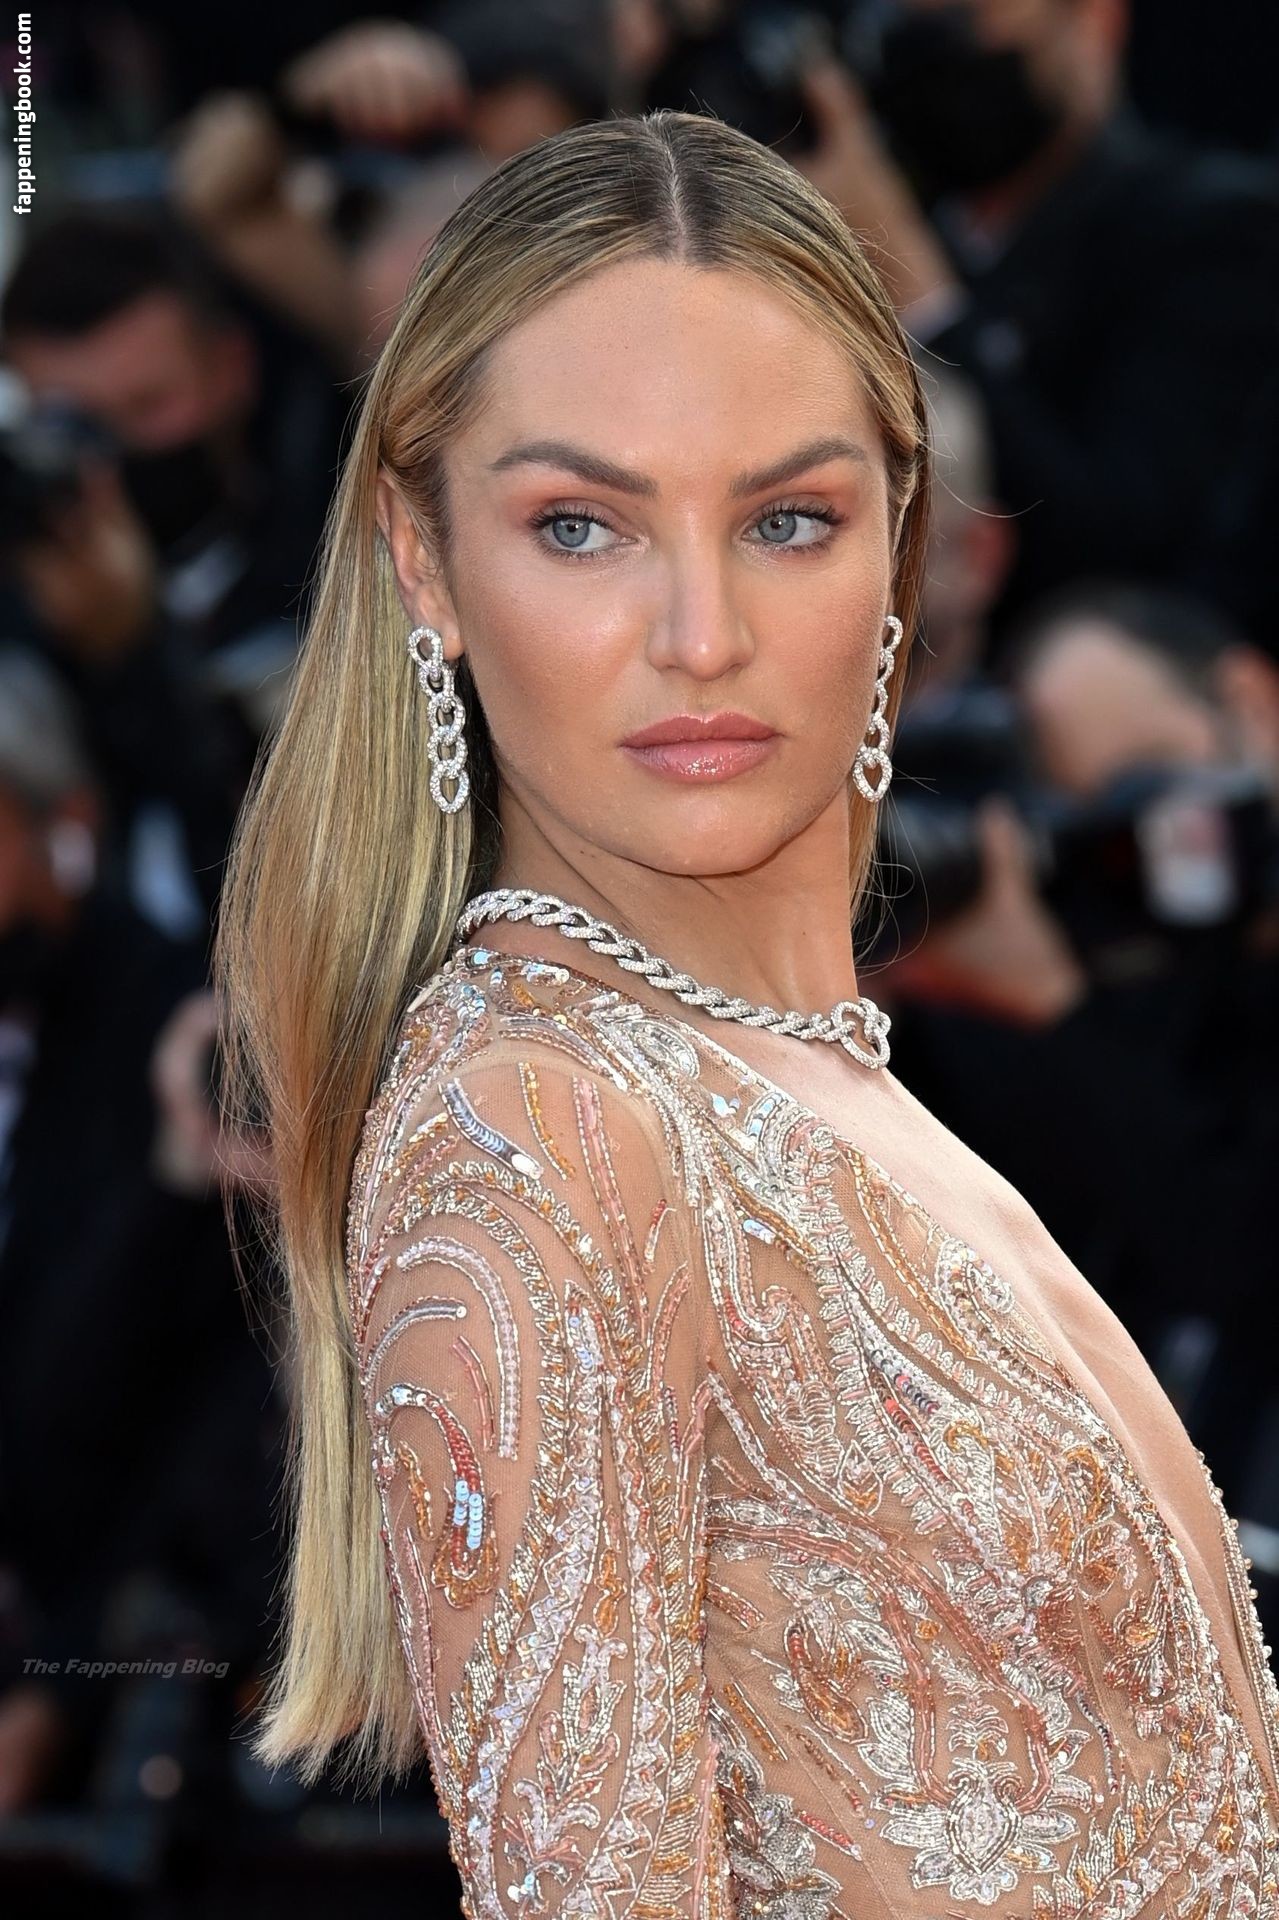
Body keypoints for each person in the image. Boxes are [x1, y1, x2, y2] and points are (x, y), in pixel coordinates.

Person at [214, 109, 1279, 1914]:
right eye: (581, 526)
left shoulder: (806, 1082)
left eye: (789, 518)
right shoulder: (540, 1128)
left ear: (903, 546)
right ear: (423, 559)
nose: (701, 632)